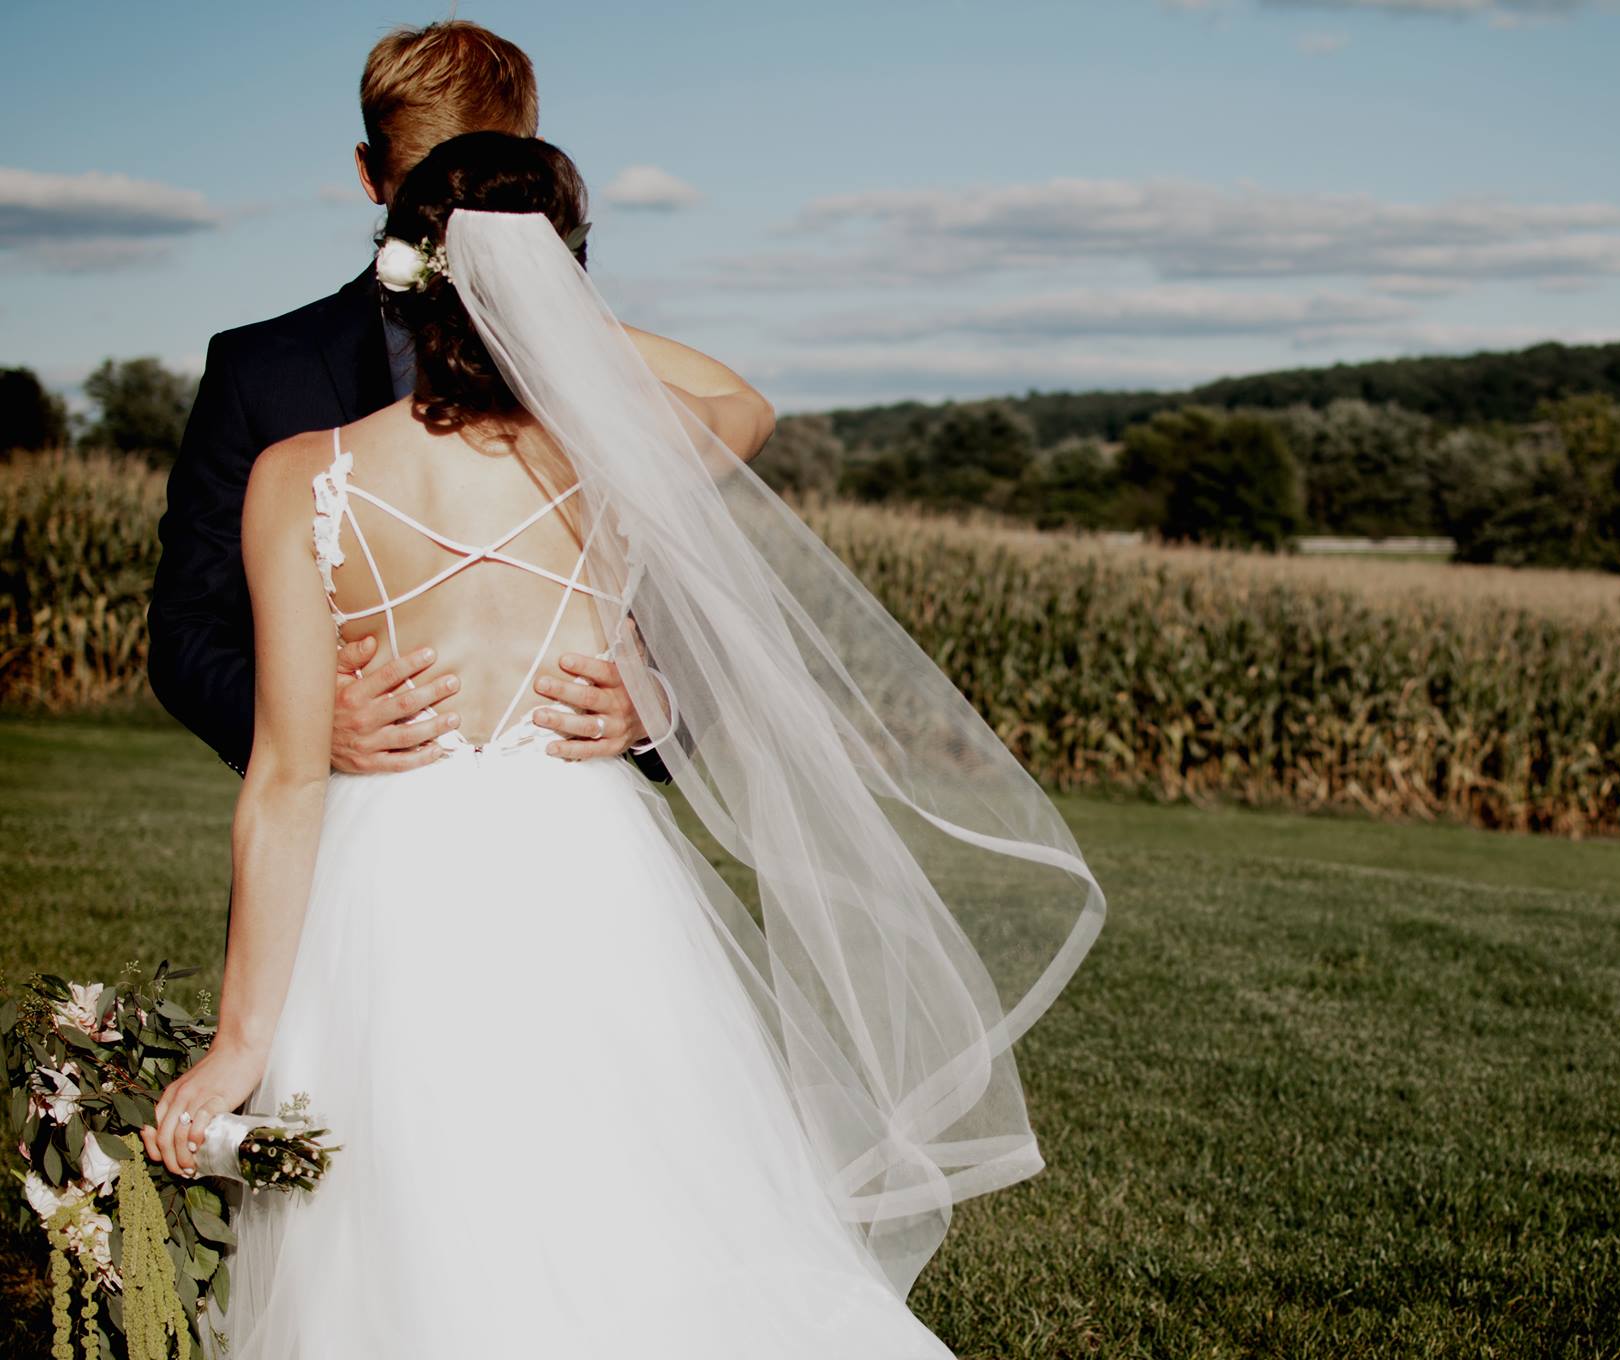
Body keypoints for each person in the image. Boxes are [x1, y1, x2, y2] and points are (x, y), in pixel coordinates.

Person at [137, 132, 1104, 1357]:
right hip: (586, 857)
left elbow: (281, 781)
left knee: (403, 1204)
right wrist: (558, 311)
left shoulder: (297, 475)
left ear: (402, 273)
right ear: (566, 276)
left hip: (385, 874)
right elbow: (739, 401)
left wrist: (237, 1046)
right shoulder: (626, 449)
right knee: (633, 1188)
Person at [148, 19, 751, 784]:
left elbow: (716, 612)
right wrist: (302, 731)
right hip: (347, 835)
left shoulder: (610, 383)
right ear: (370, 175)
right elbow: (188, 627)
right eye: (428, 193)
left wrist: (653, 707)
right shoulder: (260, 370)